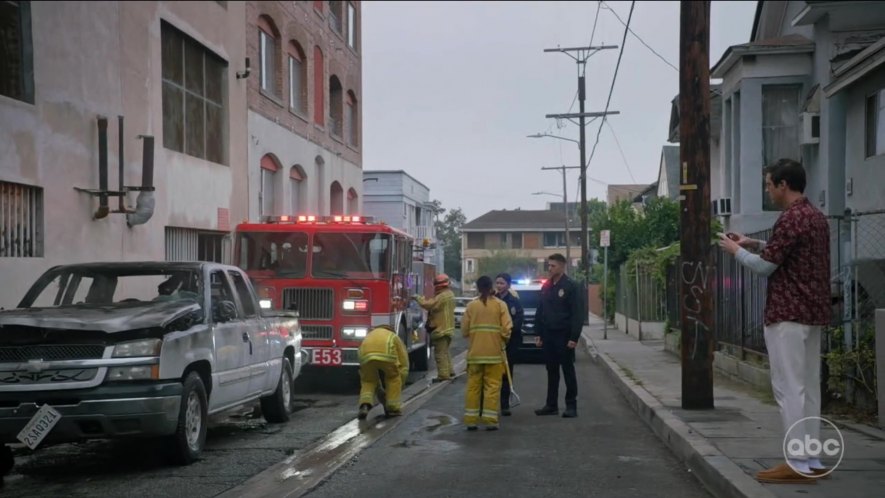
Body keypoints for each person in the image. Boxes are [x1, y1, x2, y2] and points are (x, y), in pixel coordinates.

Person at [718, 158, 830, 484]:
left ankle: (795, 460)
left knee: (788, 388)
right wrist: (754, 243)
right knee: (809, 387)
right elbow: (788, 254)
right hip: (812, 314)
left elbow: (766, 268)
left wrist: (734, 251)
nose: (767, 190)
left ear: (784, 185)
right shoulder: (815, 217)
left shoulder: (789, 218)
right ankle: (811, 458)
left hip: (787, 315)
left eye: (769, 184)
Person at [534, 253, 583, 418]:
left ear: (562, 266)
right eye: (548, 265)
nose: (550, 268)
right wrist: (538, 333)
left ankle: (571, 405)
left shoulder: (571, 286)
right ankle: (551, 404)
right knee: (551, 370)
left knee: (568, 370)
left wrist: (574, 337)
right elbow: (540, 311)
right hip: (548, 335)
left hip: (564, 335)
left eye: (553, 266)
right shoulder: (547, 286)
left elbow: (577, 313)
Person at [461, 275, 512, 431]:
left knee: (473, 387)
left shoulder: (471, 306)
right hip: (494, 355)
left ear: (477, 288)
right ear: (492, 288)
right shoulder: (500, 305)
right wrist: (502, 340)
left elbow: (464, 331)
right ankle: (490, 420)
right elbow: (507, 328)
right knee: (492, 387)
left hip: (475, 355)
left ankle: (471, 420)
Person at [356, 324, 409, 420]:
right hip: (387, 356)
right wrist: (402, 381)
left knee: (368, 381)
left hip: (365, 357)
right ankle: (393, 408)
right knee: (393, 378)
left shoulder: (370, 335)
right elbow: (404, 361)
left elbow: (359, 350)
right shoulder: (393, 336)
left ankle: (365, 405)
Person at [414, 274, 456, 382]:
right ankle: (450, 371)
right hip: (448, 328)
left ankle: (443, 375)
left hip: (441, 329)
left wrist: (418, 298)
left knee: (440, 354)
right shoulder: (450, 294)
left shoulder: (442, 296)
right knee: (445, 352)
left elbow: (429, 305)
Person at [495, 273, 524, 416]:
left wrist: (508, 332)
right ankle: (489, 404)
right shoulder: (491, 300)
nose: (499, 286)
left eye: (502, 283)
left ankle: (504, 404)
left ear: (508, 285)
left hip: (510, 342)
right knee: (492, 373)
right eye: (497, 283)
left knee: (506, 373)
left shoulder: (514, 301)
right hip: (493, 342)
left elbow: (518, 319)